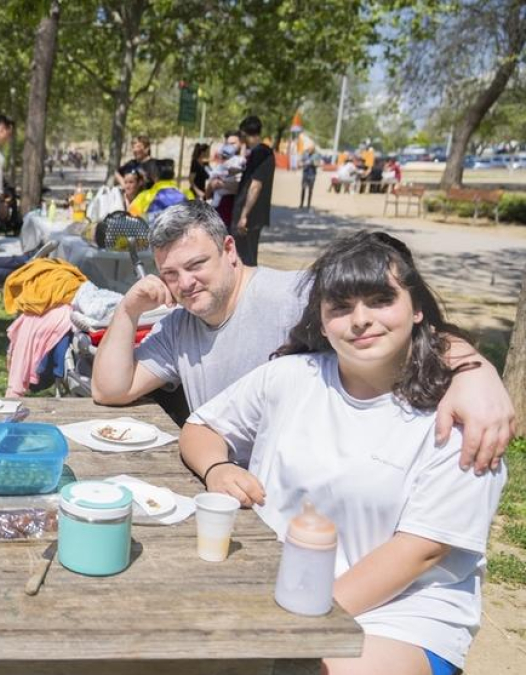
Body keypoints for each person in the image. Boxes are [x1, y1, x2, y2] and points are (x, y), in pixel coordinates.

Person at [179, 231, 505, 674]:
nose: (360, 319)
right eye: (341, 307)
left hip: (398, 613)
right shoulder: (291, 377)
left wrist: (292, 621)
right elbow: (202, 427)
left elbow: (422, 550)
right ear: (322, 318)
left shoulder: (460, 414)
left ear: (416, 307)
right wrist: (217, 467)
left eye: (379, 300)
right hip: (271, 584)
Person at [90, 200, 514, 473]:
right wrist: (128, 310)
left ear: (231, 252)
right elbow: (111, 389)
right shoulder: (179, 323)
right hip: (221, 476)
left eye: (197, 264)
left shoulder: (294, 294)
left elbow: (397, 323)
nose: (185, 283)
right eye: (171, 274)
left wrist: (474, 372)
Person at [232, 115, 275, 267]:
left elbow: (256, 185)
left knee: (244, 258)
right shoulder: (265, 152)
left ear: (244, 133)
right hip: (255, 215)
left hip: (250, 215)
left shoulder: (260, 153)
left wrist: (244, 215)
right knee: (248, 255)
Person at [300, 142, 321, 209]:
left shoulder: (316, 155)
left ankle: (308, 205)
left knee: (310, 190)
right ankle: (301, 204)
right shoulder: (305, 153)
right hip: (305, 173)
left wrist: (312, 163)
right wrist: (302, 163)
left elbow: (318, 164)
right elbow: (301, 161)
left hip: (312, 174)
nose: (309, 150)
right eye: (308, 149)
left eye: (311, 149)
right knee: (303, 188)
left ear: (313, 149)